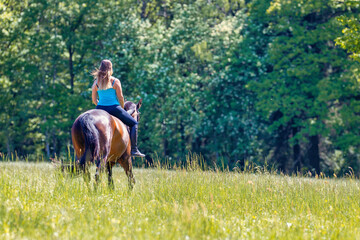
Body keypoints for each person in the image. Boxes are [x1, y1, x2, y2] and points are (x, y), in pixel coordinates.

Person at [91, 59, 145, 157]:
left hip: (99, 108)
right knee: (134, 123)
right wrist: (122, 108)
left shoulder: (96, 82)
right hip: (114, 108)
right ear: (110, 68)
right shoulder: (115, 81)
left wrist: (100, 104)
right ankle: (134, 149)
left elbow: (94, 100)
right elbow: (120, 97)